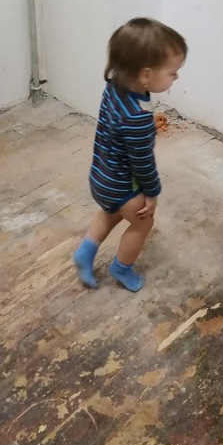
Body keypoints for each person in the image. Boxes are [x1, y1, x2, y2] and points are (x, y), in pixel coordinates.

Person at [73, 18, 188, 292]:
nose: (176, 77)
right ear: (145, 75)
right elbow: (143, 164)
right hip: (122, 185)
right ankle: (122, 268)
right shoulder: (137, 119)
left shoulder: (114, 87)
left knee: (110, 213)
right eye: (173, 72)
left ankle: (85, 253)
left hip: (101, 176)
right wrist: (152, 193)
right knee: (142, 224)